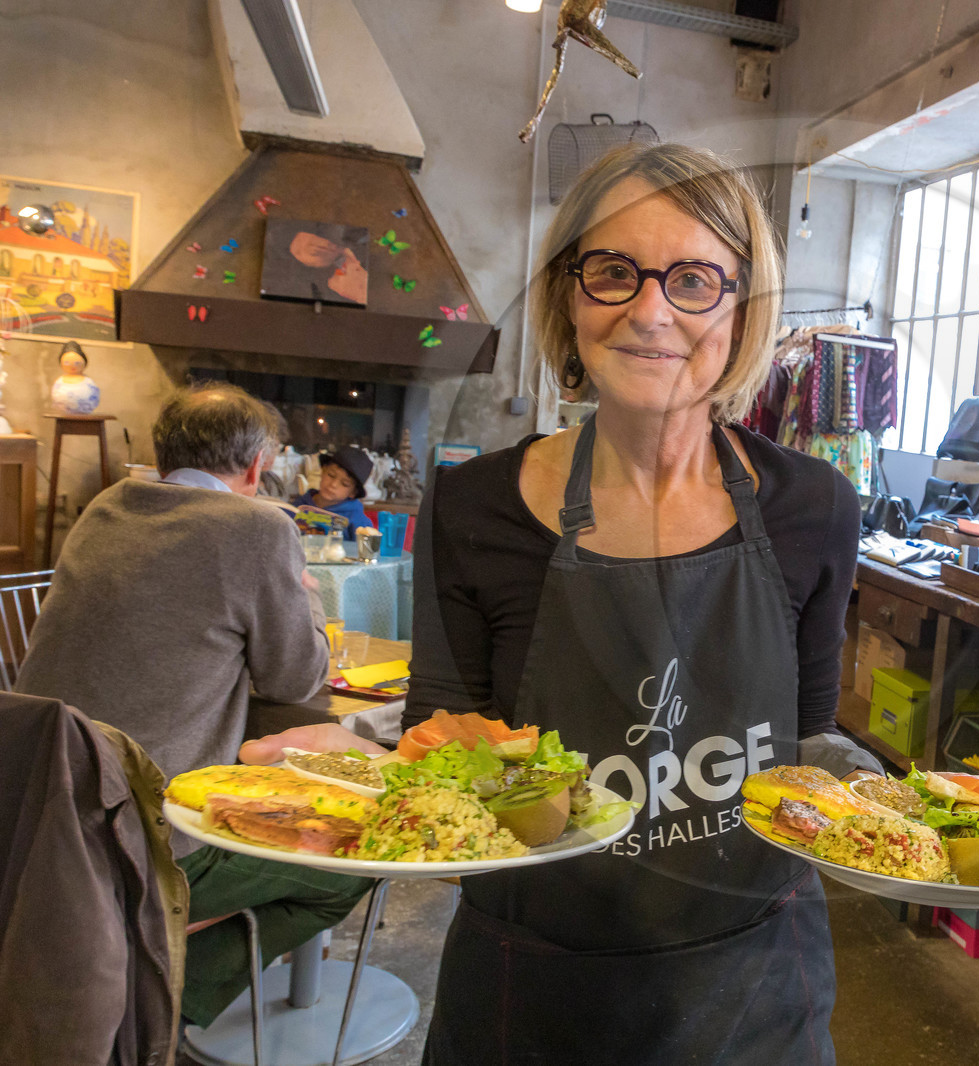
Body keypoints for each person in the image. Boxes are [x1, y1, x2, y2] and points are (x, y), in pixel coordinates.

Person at [248, 141, 878, 1063]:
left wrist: (929, 814)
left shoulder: (814, 507)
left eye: (695, 279)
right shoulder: (474, 507)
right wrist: (358, 763)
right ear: (568, 298)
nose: (650, 310)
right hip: (534, 994)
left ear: (745, 311)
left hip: (755, 993)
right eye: (613, 272)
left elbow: (804, 741)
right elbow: (448, 745)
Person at [15, 383, 378, 1029]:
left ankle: (133, 964)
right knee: (351, 865)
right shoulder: (259, 526)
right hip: (143, 845)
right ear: (258, 465)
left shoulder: (107, 506)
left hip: (30, 816)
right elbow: (297, 678)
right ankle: (161, 995)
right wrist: (307, 590)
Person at [291, 443, 373, 540]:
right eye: (331, 475)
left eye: (345, 484)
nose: (333, 484)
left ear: (353, 493)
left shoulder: (358, 522)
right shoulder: (298, 506)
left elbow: (366, 552)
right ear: (323, 471)